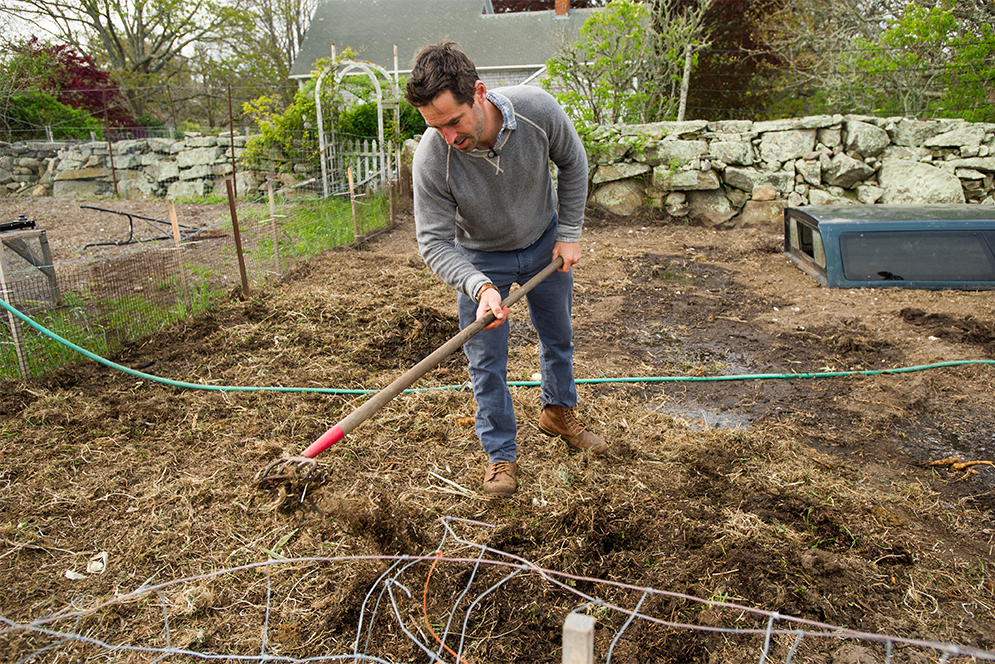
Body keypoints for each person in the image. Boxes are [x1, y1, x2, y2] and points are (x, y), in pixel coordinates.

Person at [405, 40, 607, 498]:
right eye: (435, 127)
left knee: (558, 336)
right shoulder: (433, 157)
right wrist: (478, 287)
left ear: (478, 93)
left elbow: (574, 163)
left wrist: (570, 232)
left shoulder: (537, 109)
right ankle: (500, 456)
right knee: (486, 361)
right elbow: (433, 242)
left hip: (542, 240)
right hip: (480, 257)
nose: (448, 137)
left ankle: (557, 413)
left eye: (454, 121)